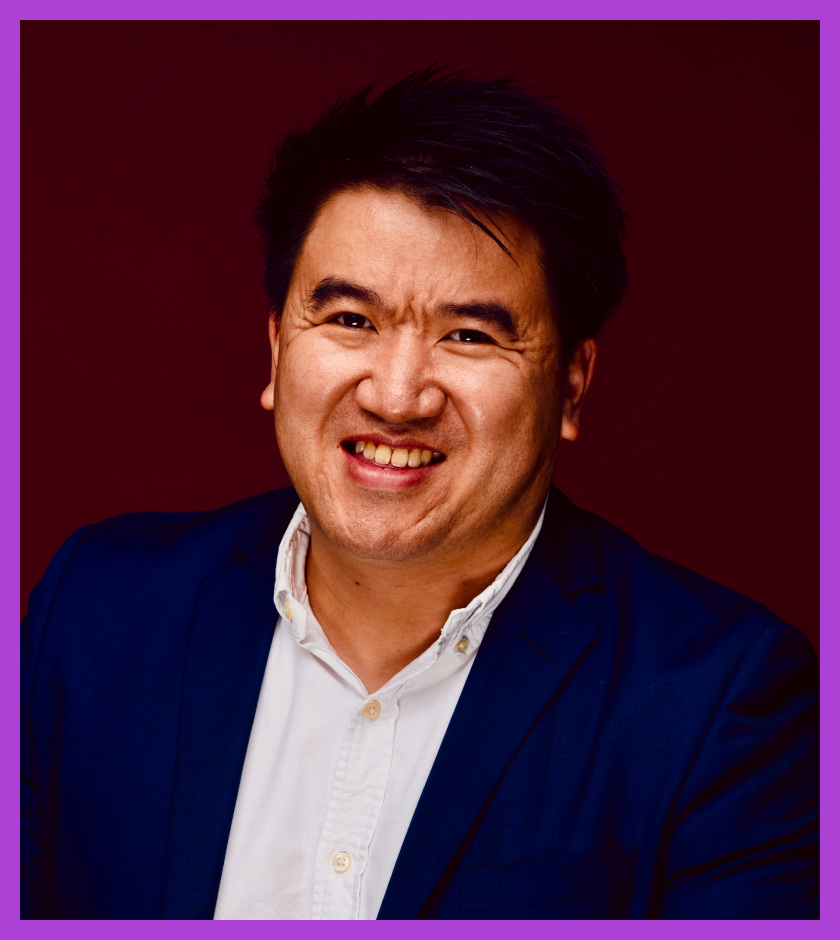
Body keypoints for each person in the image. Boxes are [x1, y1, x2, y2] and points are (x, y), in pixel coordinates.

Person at [21, 68, 818, 920]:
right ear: (277, 349)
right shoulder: (97, 609)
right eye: (350, 321)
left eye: (468, 335)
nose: (397, 396)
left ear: (574, 386)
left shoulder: (718, 703)